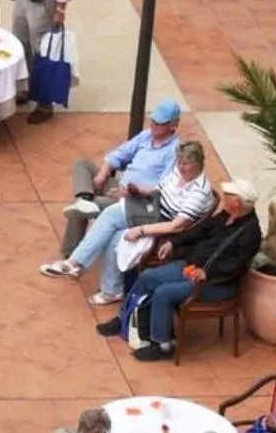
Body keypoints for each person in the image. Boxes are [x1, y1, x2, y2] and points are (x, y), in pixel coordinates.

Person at [103, 181, 263, 362]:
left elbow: (237, 265)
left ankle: (163, 345)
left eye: (228, 195)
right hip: (191, 267)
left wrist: (207, 274)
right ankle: (124, 317)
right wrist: (174, 242)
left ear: (238, 203)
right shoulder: (225, 216)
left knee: (164, 293)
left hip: (216, 284)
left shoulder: (251, 233)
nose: (224, 197)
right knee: (148, 277)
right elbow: (198, 232)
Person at [44, 101, 186, 270]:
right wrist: (103, 173)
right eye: (153, 121)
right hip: (119, 184)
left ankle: (73, 256)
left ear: (173, 125)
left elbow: (162, 187)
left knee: (89, 206)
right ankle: (84, 198)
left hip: (135, 200)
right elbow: (120, 153)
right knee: (82, 165)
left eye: (160, 123)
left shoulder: (175, 151)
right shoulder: (146, 136)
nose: (154, 126)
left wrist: (131, 193)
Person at [93, 141, 216, 308]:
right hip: (151, 209)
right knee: (112, 225)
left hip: (163, 227)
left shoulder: (199, 192)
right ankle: (110, 287)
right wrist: (138, 191)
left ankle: (88, 270)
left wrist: (141, 230)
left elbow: (176, 226)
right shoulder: (178, 173)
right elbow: (159, 190)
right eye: (179, 162)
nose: (180, 167)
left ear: (199, 163)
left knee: (113, 224)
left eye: (186, 163)